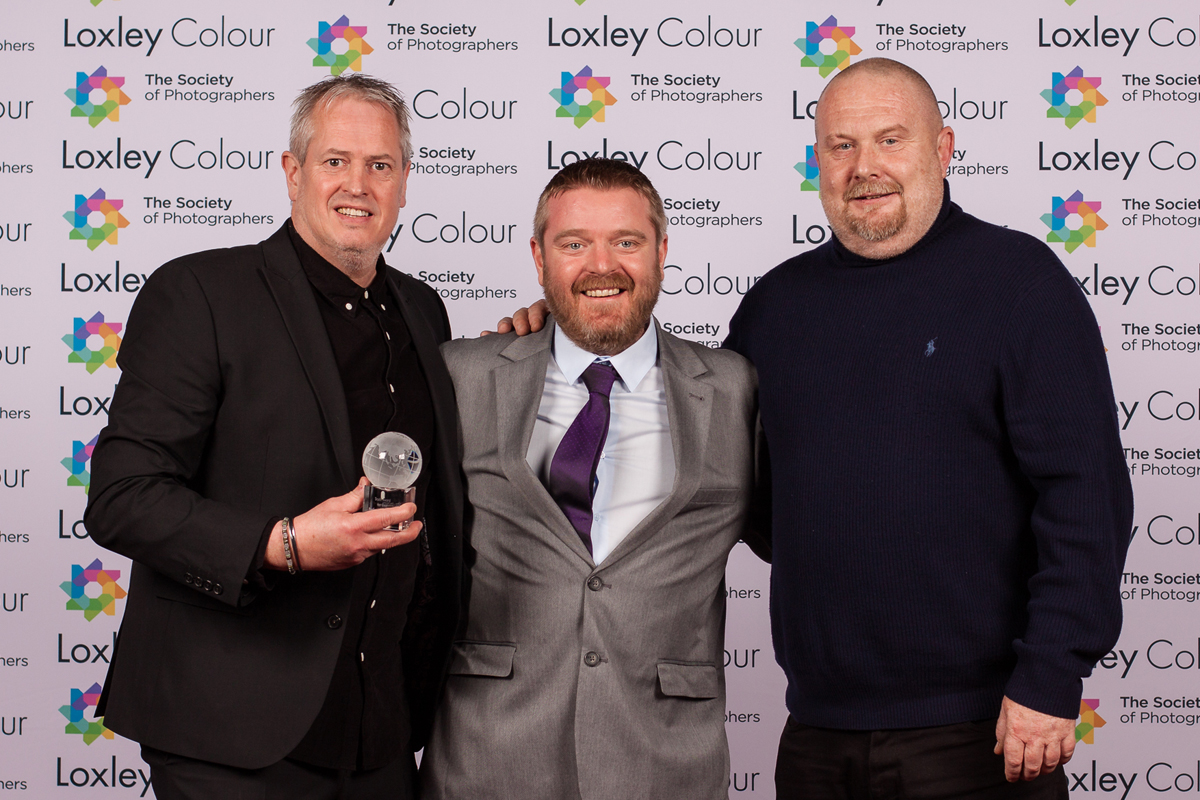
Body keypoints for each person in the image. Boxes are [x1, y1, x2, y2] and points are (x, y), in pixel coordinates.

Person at [502, 58, 1133, 798]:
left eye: (890, 140)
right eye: (841, 146)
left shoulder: (1021, 284)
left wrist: (1051, 676)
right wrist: (566, 334)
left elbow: (1086, 497)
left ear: (944, 148)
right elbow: (699, 457)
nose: (865, 167)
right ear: (818, 162)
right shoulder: (777, 308)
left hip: (986, 726)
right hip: (816, 735)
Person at [84, 74, 463, 799]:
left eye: (380, 165)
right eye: (335, 161)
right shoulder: (200, 293)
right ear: (293, 173)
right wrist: (282, 543)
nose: (358, 184)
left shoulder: (423, 309)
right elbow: (123, 498)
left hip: (382, 731)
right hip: (230, 734)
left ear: (405, 182)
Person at [419, 158, 768, 800]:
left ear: (663, 250)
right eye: (574, 243)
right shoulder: (462, 376)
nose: (600, 265)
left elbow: (802, 530)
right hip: (487, 754)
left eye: (626, 242)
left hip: (665, 760)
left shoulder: (733, 388)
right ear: (538, 256)